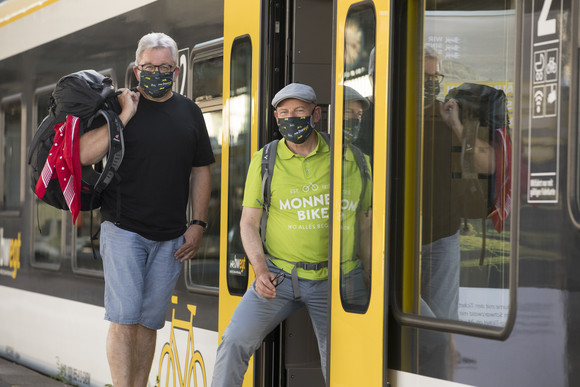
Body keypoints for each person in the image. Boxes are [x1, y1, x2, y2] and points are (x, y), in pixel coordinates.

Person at [79, 32, 215, 387]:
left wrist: (198, 223)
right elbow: (84, 155)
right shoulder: (117, 108)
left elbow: (201, 169)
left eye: (165, 66)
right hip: (123, 229)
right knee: (124, 318)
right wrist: (123, 115)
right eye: (150, 67)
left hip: (171, 237)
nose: (157, 72)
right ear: (136, 70)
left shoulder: (190, 111)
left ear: (176, 69)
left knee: (149, 321)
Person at [211, 83, 330, 386]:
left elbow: (366, 219)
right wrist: (260, 270)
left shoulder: (343, 155)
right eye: (284, 113)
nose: (291, 118)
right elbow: (249, 223)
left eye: (299, 111)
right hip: (279, 275)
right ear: (276, 119)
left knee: (340, 359)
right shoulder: (265, 159)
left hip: (333, 280)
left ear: (315, 114)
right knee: (234, 340)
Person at [421, 46, 495, 320]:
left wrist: (456, 126)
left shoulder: (451, 113)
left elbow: (488, 164)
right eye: (424, 76)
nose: (431, 83)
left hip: (441, 234)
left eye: (435, 77)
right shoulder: (379, 114)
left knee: (442, 322)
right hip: (393, 237)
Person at [340, 86, 372, 308]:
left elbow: (365, 224)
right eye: (347, 113)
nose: (354, 120)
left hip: (350, 274)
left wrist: (370, 272)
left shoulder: (362, 162)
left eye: (358, 115)